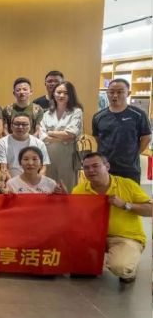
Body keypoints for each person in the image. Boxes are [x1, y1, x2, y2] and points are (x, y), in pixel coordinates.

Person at [72, 152, 152, 283]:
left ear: (107, 166)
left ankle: (129, 269)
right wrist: (64, 198)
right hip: (93, 237)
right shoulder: (79, 190)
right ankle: (92, 264)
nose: (90, 170)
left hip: (125, 237)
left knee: (120, 267)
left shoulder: (127, 185)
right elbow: (73, 217)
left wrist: (126, 205)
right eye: (86, 167)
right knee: (71, 259)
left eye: (95, 166)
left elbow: (150, 210)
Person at [92, 79, 151, 183]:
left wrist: (134, 153)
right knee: (105, 193)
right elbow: (98, 138)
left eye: (120, 92)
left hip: (129, 168)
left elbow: (146, 137)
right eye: (111, 92)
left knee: (129, 193)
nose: (115, 95)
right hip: (105, 167)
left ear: (128, 93)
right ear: (107, 93)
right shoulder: (98, 116)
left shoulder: (139, 115)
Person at [39, 81, 83, 192]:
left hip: (68, 156)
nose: (61, 95)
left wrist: (50, 132)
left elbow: (71, 134)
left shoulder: (76, 112)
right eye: (58, 92)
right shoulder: (46, 113)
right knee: (49, 188)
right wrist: (62, 136)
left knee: (67, 188)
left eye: (65, 93)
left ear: (71, 95)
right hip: (49, 156)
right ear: (53, 94)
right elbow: (42, 136)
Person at [0, 114, 50, 180]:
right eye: (17, 124)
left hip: (33, 181)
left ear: (30, 126)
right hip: (10, 181)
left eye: (24, 124)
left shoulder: (39, 144)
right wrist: (13, 184)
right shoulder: (2, 142)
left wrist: (36, 182)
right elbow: (3, 168)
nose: (20, 127)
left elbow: (43, 168)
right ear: (11, 126)